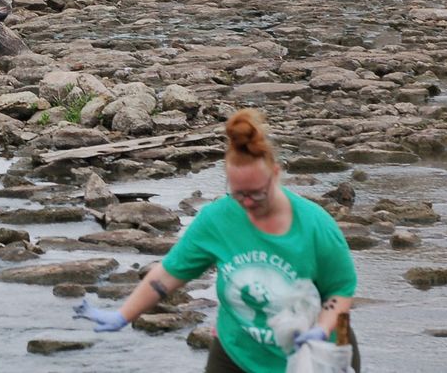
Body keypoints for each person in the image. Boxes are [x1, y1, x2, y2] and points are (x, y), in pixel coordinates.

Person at [75, 108, 360, 373]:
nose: (247, 203)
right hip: (238, 353)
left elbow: (341, 290)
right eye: (238, 194)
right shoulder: (216, 220)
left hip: (320, 352)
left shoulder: (315, 225)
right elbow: (169, 274)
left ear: (275, 174)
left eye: (257, 193)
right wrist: (123, 314)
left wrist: (321, 330)